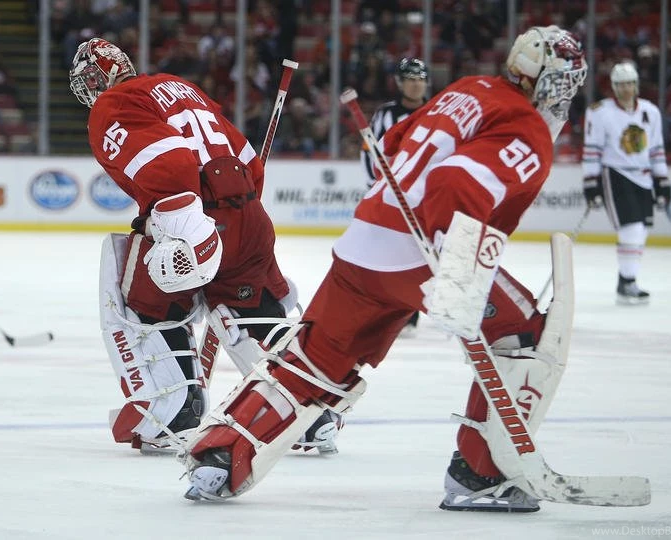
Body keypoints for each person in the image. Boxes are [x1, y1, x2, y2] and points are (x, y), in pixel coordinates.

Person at [180, 25, 587, 512]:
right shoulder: (527, 125)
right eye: (563, 85)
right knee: (528, 337)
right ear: (541, 80)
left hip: (364, 242)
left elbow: (393, 145)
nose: (565, 99)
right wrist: (456, 269)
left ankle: (221, 456)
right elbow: (456, 181)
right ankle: (482, 474)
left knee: (314, 361)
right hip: (421, 254)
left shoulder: (468, 88)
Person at [68, 37, 341, 455]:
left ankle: (174, 410)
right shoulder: (179, 87)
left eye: (88, 78)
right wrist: (239, 210)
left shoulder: (114, 104)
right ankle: (309, 413)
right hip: (246, 212)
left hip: (193, 216)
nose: (87, 90)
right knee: (254, 313)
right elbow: (247, 159)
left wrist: (186, 224)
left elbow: (172, 164)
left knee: (143, 302)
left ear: (100, 76)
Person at [582, 61, 670, 305]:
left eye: (630, 84)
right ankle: (628, 282)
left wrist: (662, 181)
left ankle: (625, 280)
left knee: (641, 232)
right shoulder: (600, 112)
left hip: (644, 177)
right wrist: (591, 183)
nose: (626, 89)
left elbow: (656, 149)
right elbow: (592, 150)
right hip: (616, 175)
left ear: (637, 85)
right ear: (613, 87)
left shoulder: (650, 112)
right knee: (630, 228)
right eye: (621, 85)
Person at [360, 57, 430, 336]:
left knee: (419, 256)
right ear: (401, 83)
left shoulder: (436, 111)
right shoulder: (386, 115)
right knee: (387, 254)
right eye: (410, 79)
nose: (416, 85)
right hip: (390, 197)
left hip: (425, 198)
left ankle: (413, 311)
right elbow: (371, 152)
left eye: (420, 78)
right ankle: (389, 309)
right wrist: (375, 188)